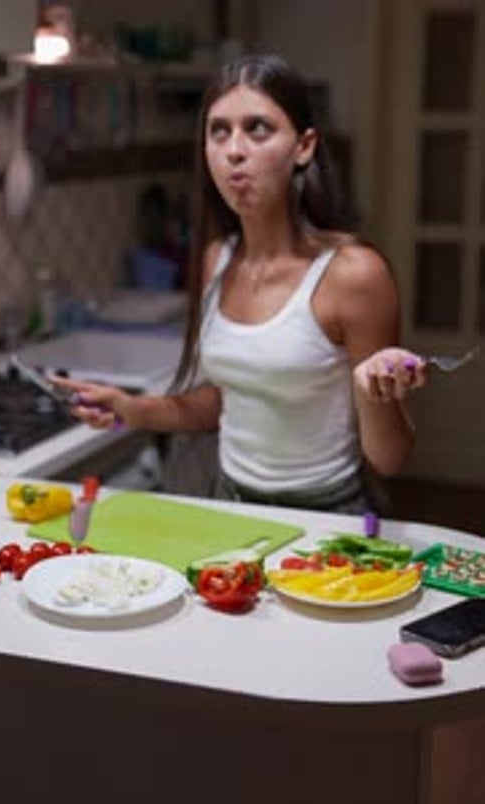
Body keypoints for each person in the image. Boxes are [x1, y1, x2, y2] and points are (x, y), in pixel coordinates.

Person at [51, 53, 427, 514]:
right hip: (229, 508)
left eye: (258, 129)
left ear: (304, 146)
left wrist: (375, 395)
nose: (234, 150)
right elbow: (221, 403)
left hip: (329, 518)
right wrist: (131, 408)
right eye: (219, 131)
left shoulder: (353, 274)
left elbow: (390, 459)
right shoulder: (216, 258)